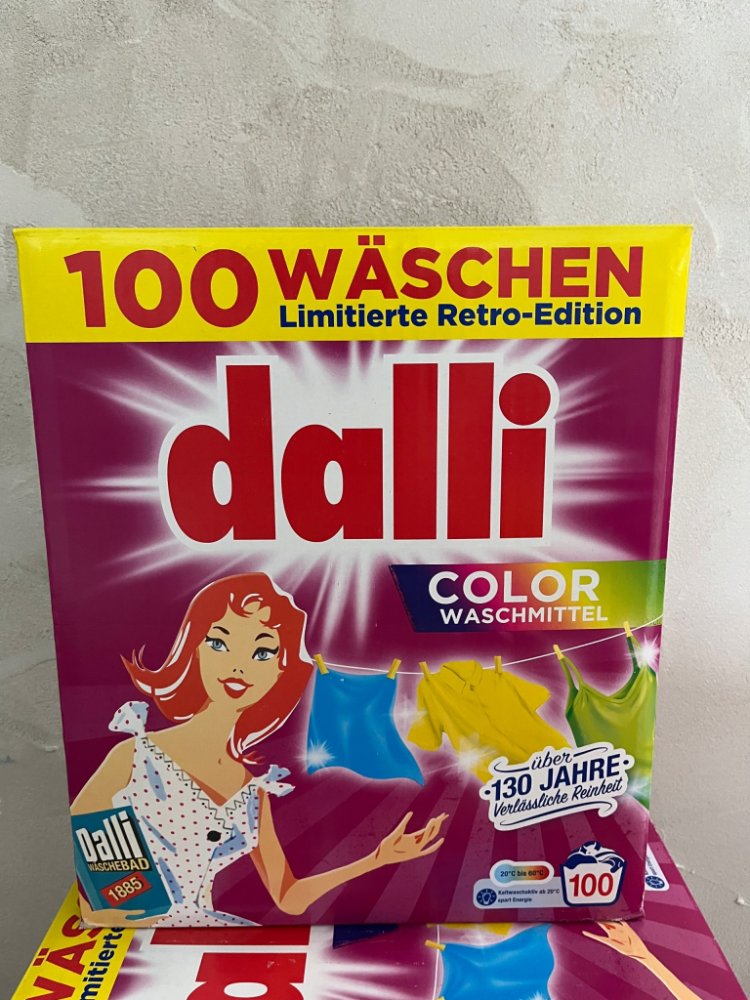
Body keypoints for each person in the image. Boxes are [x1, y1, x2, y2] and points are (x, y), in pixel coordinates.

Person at [72, 573, 446, 926]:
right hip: (142, 930)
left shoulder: (253, 792)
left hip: (206, 928)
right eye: (219, 643)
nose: (239, 666)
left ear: (281, 671)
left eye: (263, 653)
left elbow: (288, 897)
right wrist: (112, 911)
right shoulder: (136, 755)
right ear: (195, 648)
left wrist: (376, 859)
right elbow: (81, 837)